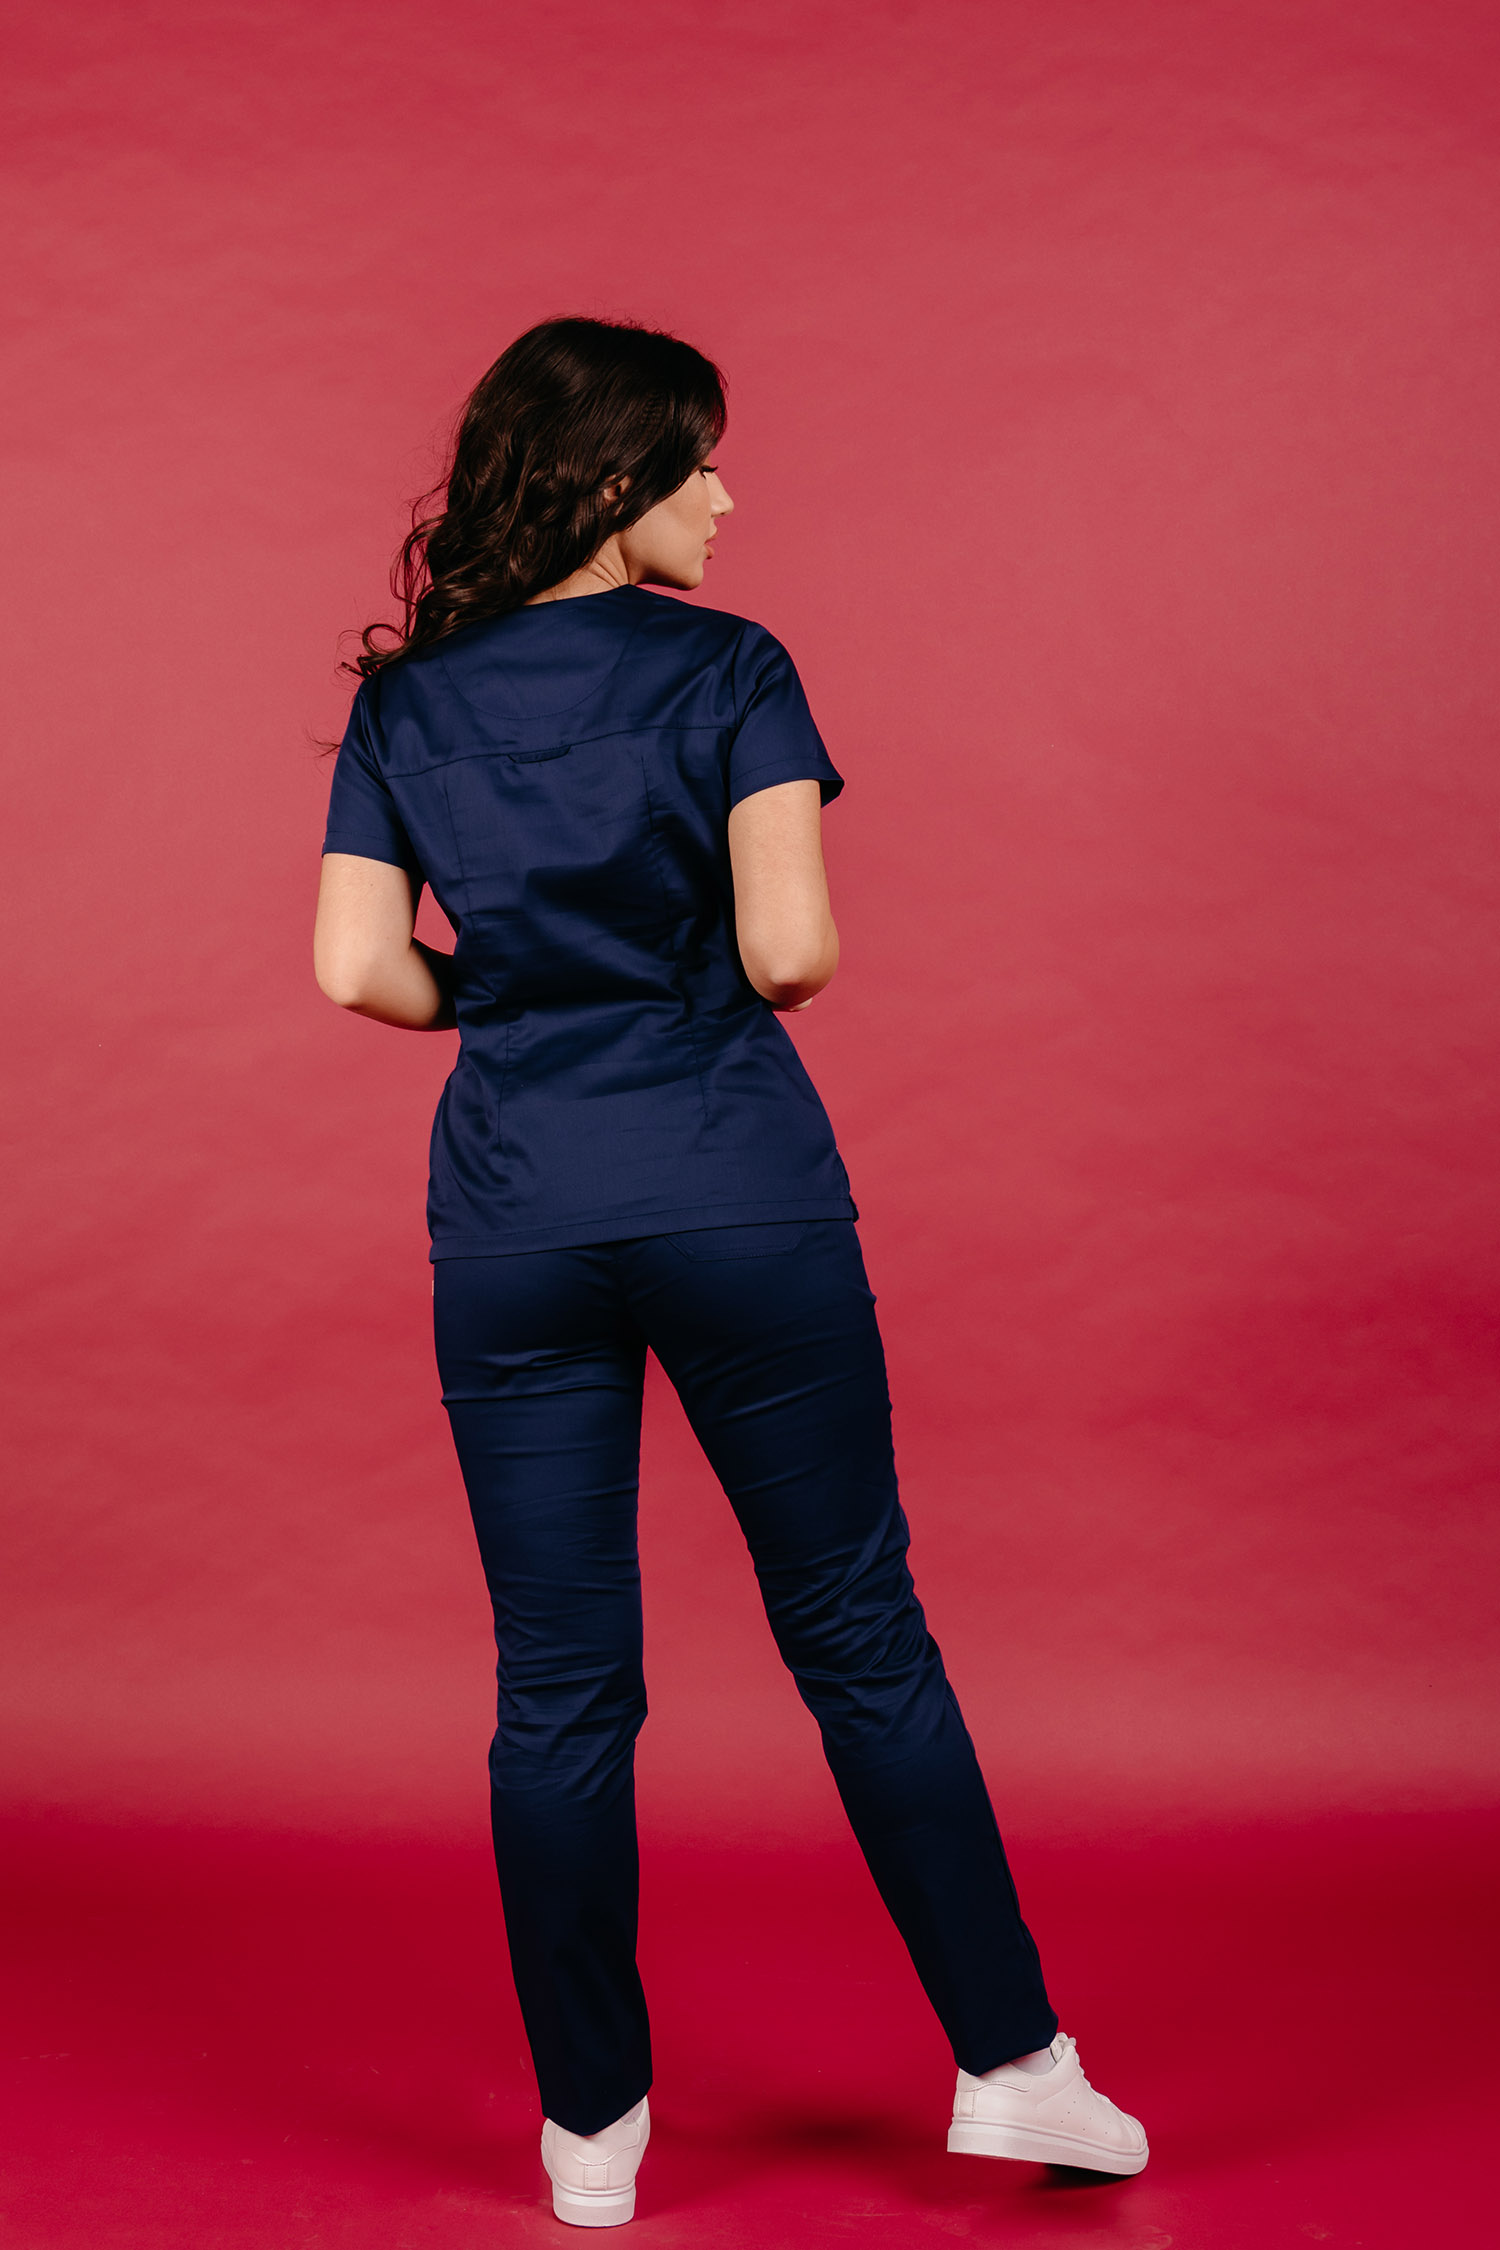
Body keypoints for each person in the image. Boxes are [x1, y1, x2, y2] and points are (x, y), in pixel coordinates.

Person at [313, 316, 1147, 2228]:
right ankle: (1016, 2067)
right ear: (616, 482)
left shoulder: (408, 703)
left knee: (557, 1686)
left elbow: (355, 966)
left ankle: (591, 2129)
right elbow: (788, 953)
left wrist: (514, 1003)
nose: (726, 493)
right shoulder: (734, 668)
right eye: (698, 462)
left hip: (512, 1217)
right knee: (859, 1633)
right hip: (734, 1195)